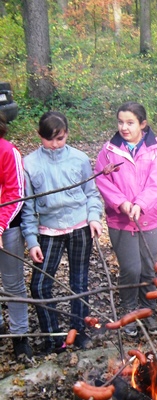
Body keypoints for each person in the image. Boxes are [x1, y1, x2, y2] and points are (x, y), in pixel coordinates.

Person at [21, 111, 103, 354]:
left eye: (60, 138)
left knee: (79, 282)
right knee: (40, 286)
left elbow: (91, 193)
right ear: (39, 135)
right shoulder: (29, 164)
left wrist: (94, 218)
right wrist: (31, 240)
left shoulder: (79, 159)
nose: (55, 144)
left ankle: (79, 330)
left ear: (67, 134)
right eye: (49, 139)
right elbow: (27, 206)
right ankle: (54, 337)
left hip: (80, 227)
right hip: (49, 230)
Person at [95, 102, 157, 337]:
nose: (124, 127)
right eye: (120, 122)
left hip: (149, 218)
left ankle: (148, 310)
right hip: (120, 221)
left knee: (148, 268)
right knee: (130, 269)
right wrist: (121, 203)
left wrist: (140, 204)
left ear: (142, 124)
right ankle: (129, 311)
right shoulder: (109, 151)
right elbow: (102, 180)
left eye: (130, 123)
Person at [0, 112, 33, 361]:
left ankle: (20, 336)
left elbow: (15, 192)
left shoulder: (7, 151)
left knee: (13, 284)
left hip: (7, 226)